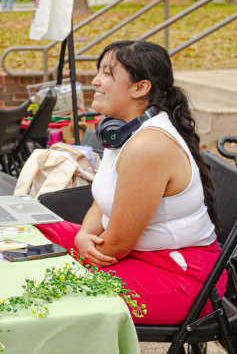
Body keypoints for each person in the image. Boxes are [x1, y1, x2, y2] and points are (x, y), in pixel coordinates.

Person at [37, 40, 225, 325]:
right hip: (135, 254)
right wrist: (82, 235)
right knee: (32, 229)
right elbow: (103, 199)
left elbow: (116, 246)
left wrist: (79, 249)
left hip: (178, 277)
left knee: (51, 291)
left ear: (140, 88)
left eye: (107, 74)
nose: (96, 81)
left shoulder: (147, 146)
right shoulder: (123, 130)